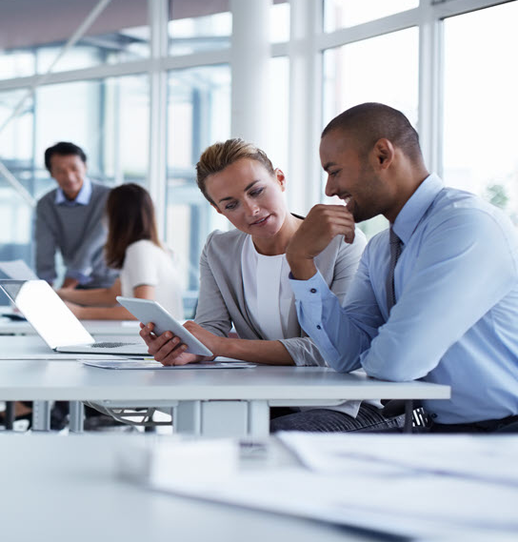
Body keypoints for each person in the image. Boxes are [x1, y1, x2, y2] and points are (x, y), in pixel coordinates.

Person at [284, 102, 518, 434]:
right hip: (439, 433)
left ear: (382, 155)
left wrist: (377, 351)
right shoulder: (380, 248)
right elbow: (346, 355)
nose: (330, 190)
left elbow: (397, 363)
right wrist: (301, 261)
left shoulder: (465, 226)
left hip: (503, 437)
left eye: (334, 171)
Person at [140, 138, 400, 432]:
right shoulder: (219, 250)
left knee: (260, 438)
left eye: (257, 191)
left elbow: (328, 350)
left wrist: (222, 346)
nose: (251, 210)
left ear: (280, 179)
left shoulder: (342, 244)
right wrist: (190, 348)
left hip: (345, 403)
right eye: (231, 204)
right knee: (201, 429)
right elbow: (211, 327)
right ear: (218, 210)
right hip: (269, 399)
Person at [57, 183, 183, 320]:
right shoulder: (156, 248)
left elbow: (143, 310)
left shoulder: (140, 250)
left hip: (153, 338)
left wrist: (81, 313)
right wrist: (60, 294)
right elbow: (111, 294)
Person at [34, 142, 118, 289]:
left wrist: (66, 288)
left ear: (85, 167)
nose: (69, 177)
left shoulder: (110, 197)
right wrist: (44, 289)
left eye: (74, 168)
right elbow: (44, 248)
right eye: (60, 171)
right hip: (76, 284)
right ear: (51, 173)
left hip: (111, 283)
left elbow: (92, 245)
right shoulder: (45, 204)